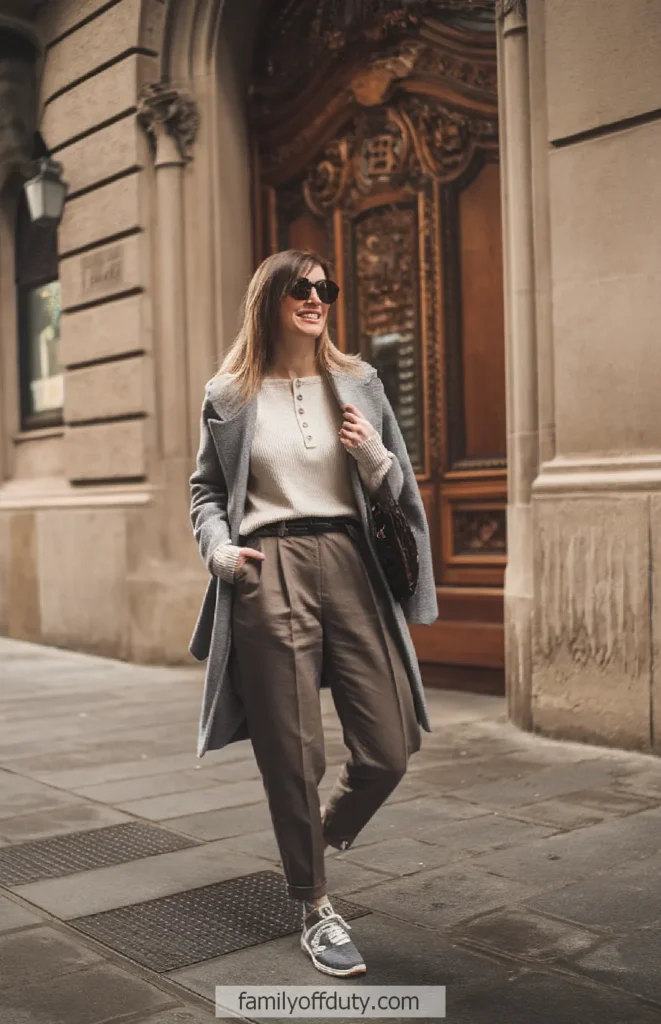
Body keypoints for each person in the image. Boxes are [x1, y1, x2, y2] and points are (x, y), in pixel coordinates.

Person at [189, 249, 438, 977]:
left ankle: (316, 836)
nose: (316, 298)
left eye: (325, 287)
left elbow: (396, 484)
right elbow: (206, 492)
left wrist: (375, 461)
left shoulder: (359, 381)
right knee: (293, 751)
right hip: (268, 568)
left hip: (352, 562)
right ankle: (314, 904)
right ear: (268, 300)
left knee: (389, 747)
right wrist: (219, 551)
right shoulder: (230, 395)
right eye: (300, 288)